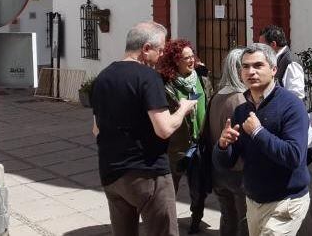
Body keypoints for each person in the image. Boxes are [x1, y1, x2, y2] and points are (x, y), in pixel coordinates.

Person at [91, 21, 198, 236]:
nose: (161, 57)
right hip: (148, 174)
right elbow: (164, 129)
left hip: (111, 173)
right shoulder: (148, 77)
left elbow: (96, 129)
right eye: (160, 50)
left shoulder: (103, 77)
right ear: (146, 48)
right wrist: (184, 108)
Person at [215, 43, 311, 236]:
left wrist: (258, 132)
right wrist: (223, 146)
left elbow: (294, 156)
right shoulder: (242, 110)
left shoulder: (292, 106)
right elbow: (226, 162)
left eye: (258, 65)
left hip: (285, 203)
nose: (251, 71)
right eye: (246, 66)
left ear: (274, 69)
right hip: (253, 201)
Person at [157, 38, 212, 233]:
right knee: (169, 189)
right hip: (176, 146)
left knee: (198, 189)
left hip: (200, 144)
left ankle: (196, 221)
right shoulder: (166, 86)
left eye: (192, 56)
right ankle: (167, 224)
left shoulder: (202, 79)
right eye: (185, 58)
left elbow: (209, 106)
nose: (191, 61)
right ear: (175, 61)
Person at [209, 47, 250, 236]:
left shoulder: (216, 97)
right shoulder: (241, 99)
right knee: (245, 222)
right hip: (239, 170)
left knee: (227, 218)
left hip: (218, 170)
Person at [259, 25, 305, 100]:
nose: (260, 50)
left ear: (273, 44)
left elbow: (296, 95)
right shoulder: (275, 59)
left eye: (263, 46)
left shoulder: (290, 62)